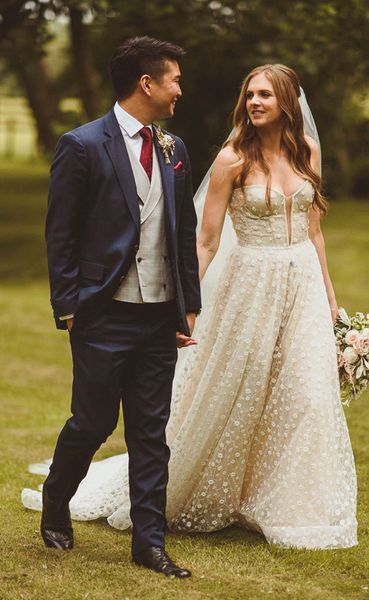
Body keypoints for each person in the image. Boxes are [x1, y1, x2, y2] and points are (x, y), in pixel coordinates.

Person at [23, 64, 357, 550]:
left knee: (304, 393)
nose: (254, 103)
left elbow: (314, 230)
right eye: (249, 95)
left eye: (265, 95)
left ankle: (288, 504)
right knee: (229, 393)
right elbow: (203, 240)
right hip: (251, 287)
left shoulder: (308, 151)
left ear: (287, 101)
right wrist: (182, 305)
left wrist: (329, 295)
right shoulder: (231, 159)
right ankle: (106, 503)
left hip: (302, 284)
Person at [35, 36, 201, 578]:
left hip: (159, 315)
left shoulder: (175, 150)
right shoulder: (82, 145)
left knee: (151, 432)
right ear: (146, 83)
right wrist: (69, 306)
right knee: (92, 420)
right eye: (174, 78)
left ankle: (148, 544)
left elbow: (182, 233)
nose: (180, 88)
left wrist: (187, 306)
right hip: (102, 312)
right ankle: (57, 498)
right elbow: (60, 233)